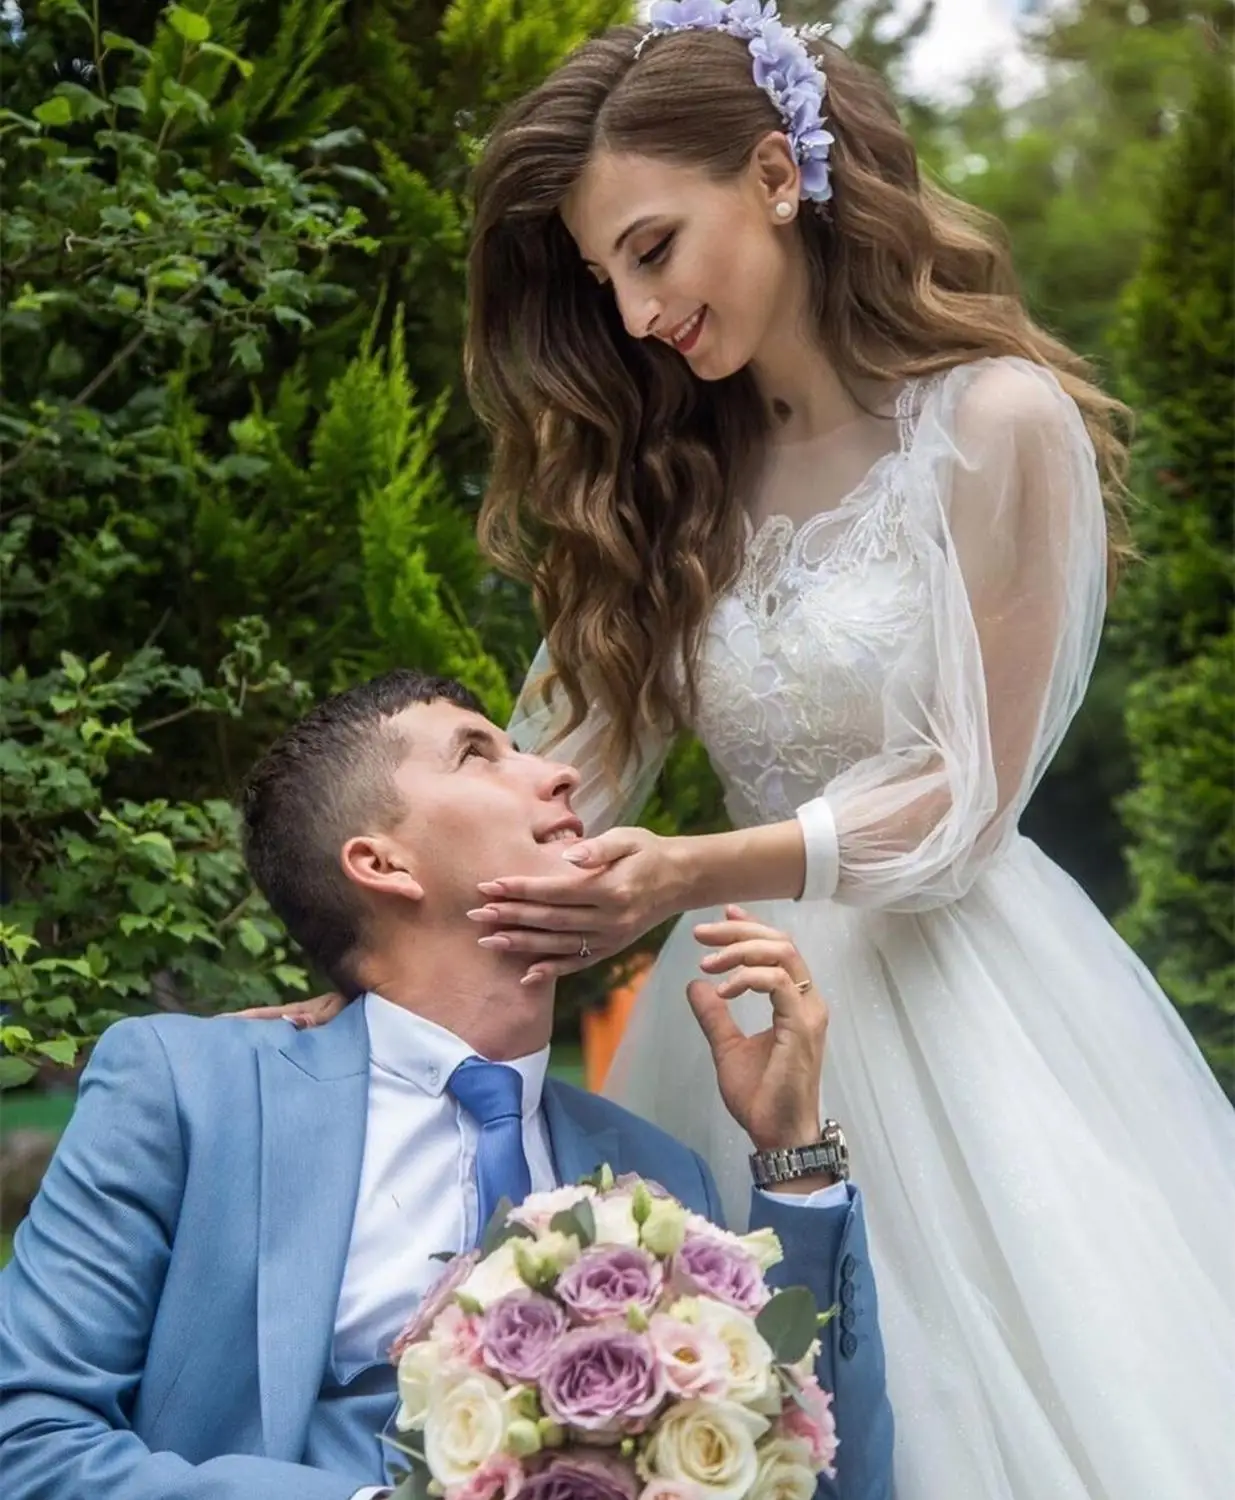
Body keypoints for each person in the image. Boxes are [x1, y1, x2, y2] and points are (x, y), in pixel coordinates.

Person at [241, 5, 1235, 1498]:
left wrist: (698, 869)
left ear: (774, 172)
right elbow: (545, 765)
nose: (635, 317)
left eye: (652, 249)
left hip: (963, 1003)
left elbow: (965, 806)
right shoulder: (670, 473)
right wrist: (369, 973)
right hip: (729, 1013)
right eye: (604, 279)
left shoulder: (995, 422)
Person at [0, 671, 894, 1500]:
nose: (558, 777)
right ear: (381, 864)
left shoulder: (661, 1172)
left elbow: (824, 1478)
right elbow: (27, 1438)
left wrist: (793, 1159)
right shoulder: (191, 1091)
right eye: (478, 753)